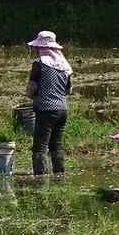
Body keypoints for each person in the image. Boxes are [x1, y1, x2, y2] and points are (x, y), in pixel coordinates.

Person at [25, 30, 72, 176]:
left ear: (41, 48)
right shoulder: (65, 67)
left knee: (39, 148)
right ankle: (59, 175)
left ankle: (40, 178)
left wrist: (34, 96)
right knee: (56, 146)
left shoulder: (40, 64)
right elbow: (68, 90)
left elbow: (31, 89)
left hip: (45, 110)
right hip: (62, 110)